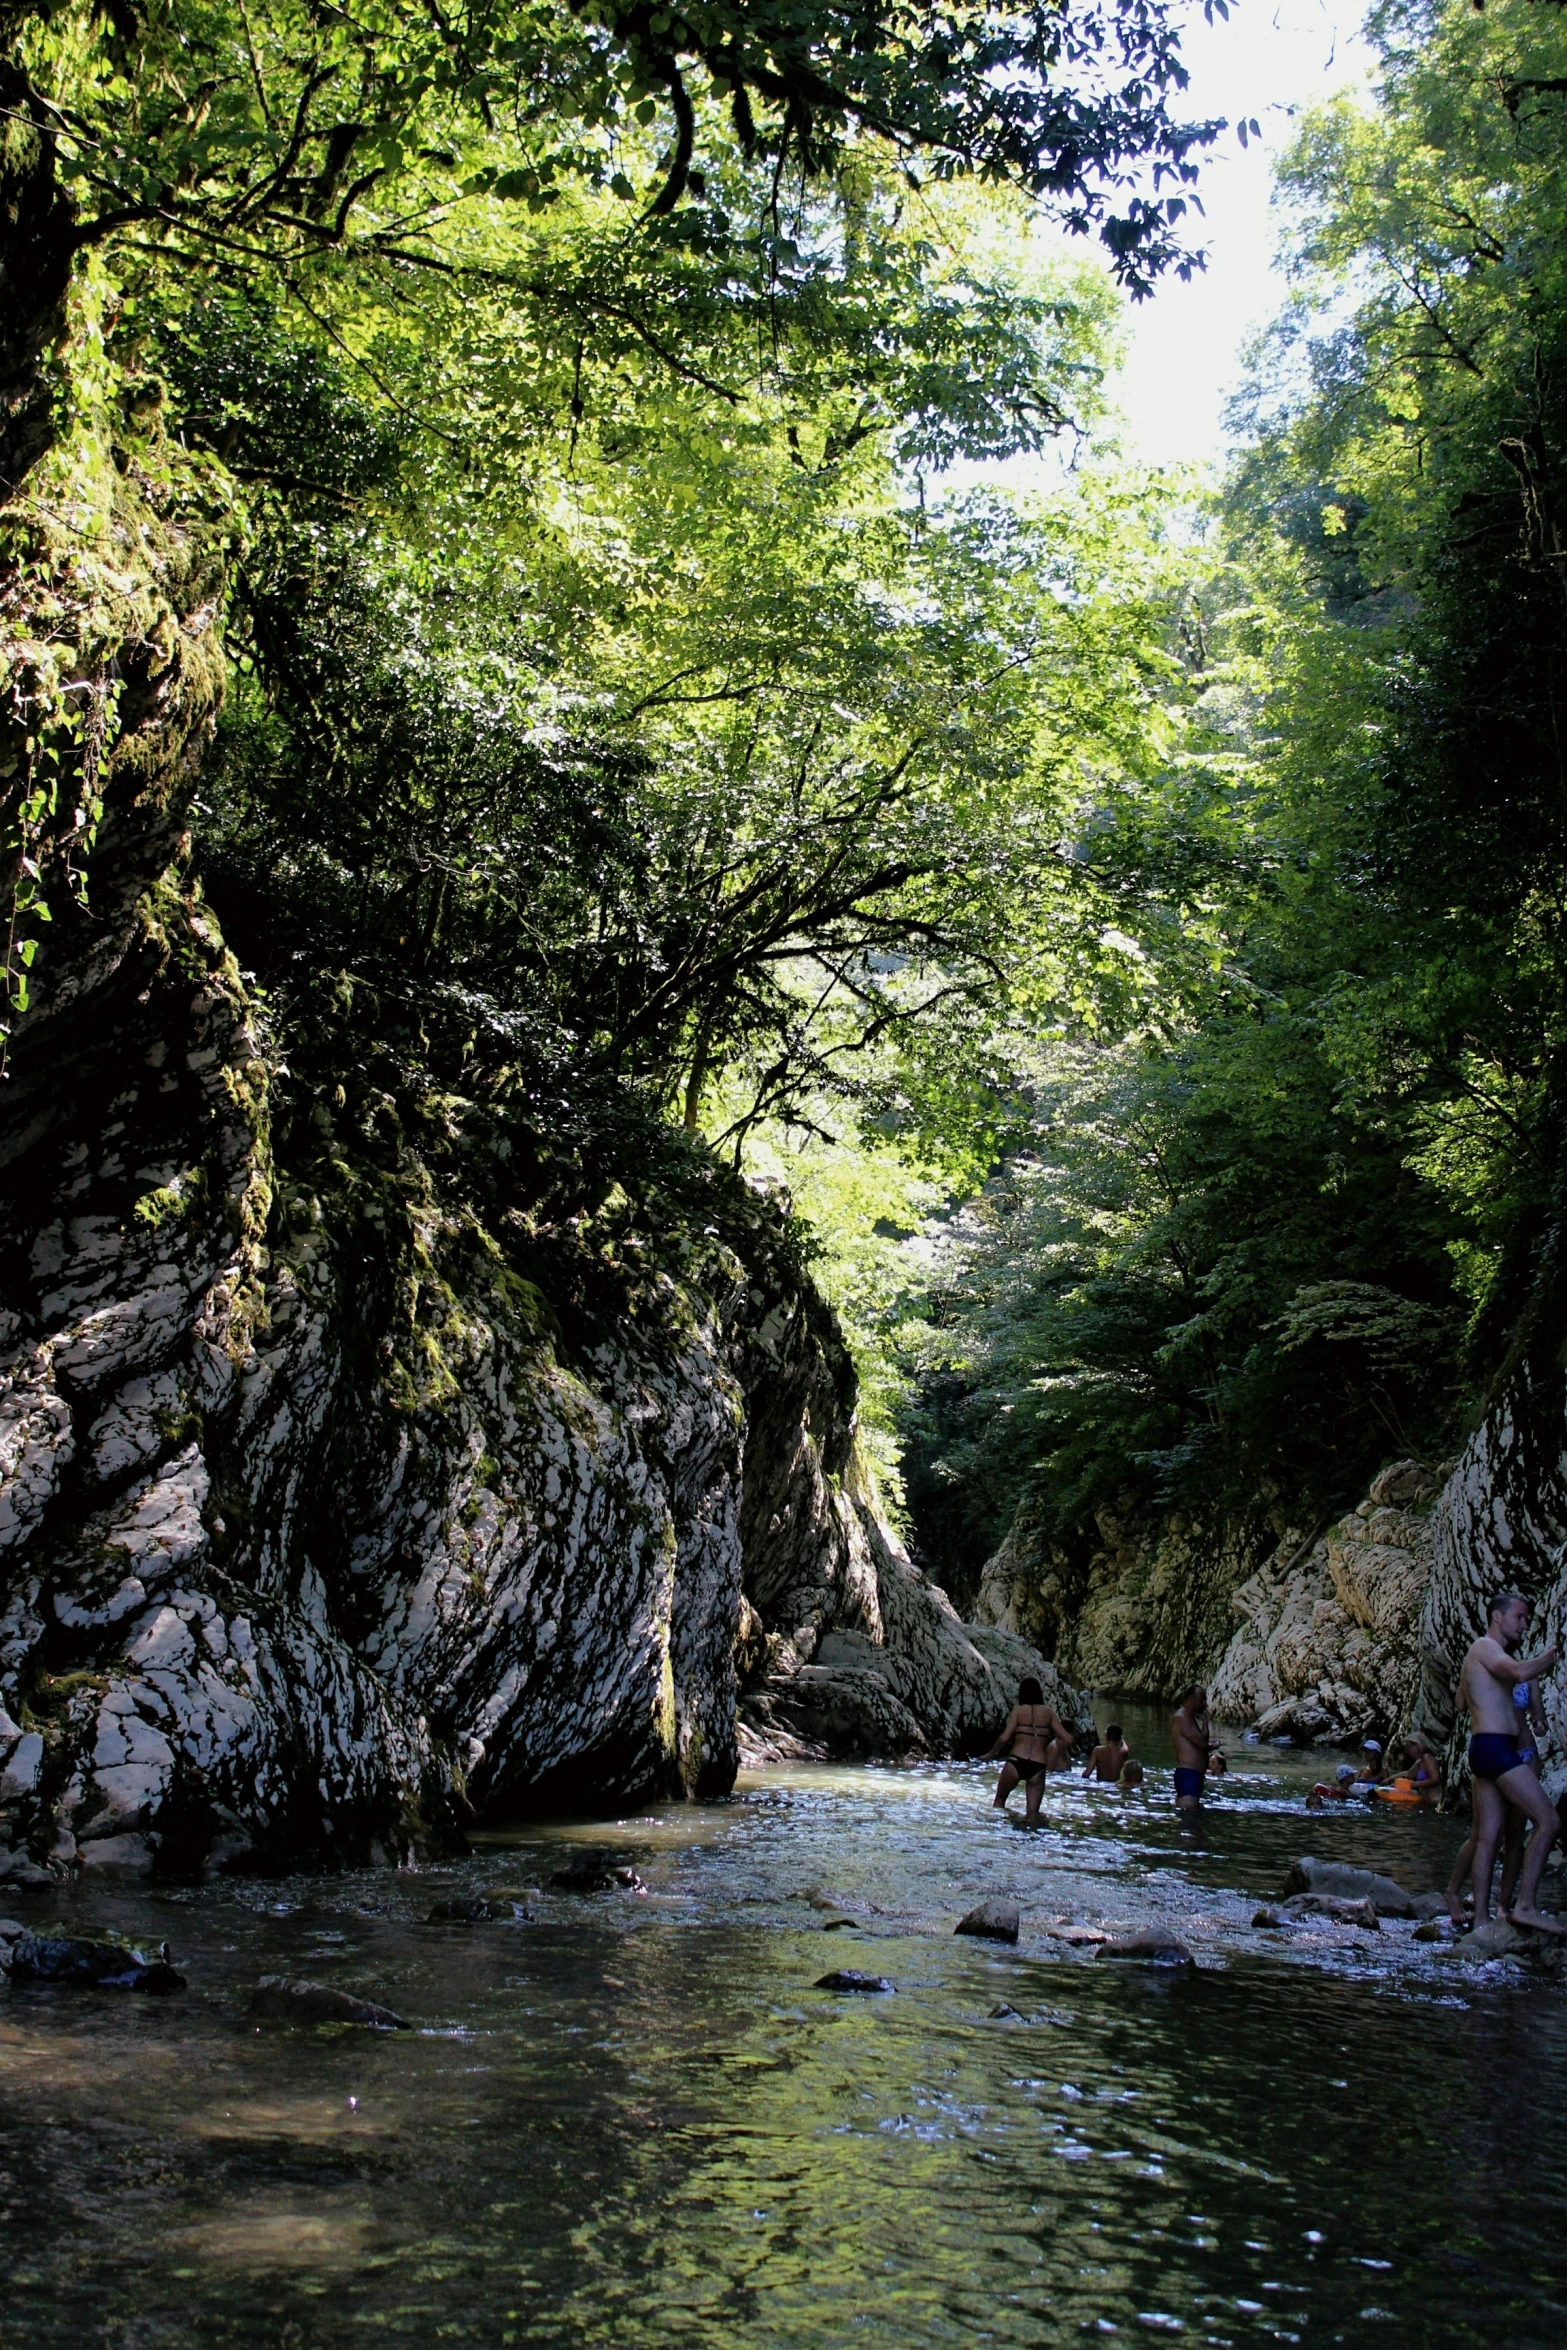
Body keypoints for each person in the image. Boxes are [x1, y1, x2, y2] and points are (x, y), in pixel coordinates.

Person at [1455, 1591, 1561, 1933]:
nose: (1524, 1624)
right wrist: (1551, 1654)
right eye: (1519, 1617)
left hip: (1485, 1748)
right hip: (1497, 1748)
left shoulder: (1482, 1654)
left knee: (1489, 1837)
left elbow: (1459, 1702)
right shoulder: (1485, 1647)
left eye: (1527, 1619)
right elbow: (1517, 1672)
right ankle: (1525, 1906)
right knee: (1548, 1820)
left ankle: (1483, 1920)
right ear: (1497, 1618)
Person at [985, 1677, 1073, 1829]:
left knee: (1000, 1799)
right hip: (1038, 1766)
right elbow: (1067, 1738)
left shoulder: (1018, 1711)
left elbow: (1004, 1738)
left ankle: (997, 1833)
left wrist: (991, 1754)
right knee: (1032, 1813)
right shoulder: (1049, 1713)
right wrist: (1075, 1749)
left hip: (1016, 1760)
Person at [1171, 1686, 1210, 1811]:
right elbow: (1202, 1743)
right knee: (1188, 1816)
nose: (1204, 1704)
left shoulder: (1189, 1718)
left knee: (1193, 1815)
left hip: (1193, 1775)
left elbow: (1198, 1743)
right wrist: (1205, 1721)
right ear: (1191, 1699)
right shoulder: (1182, 1718)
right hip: (1189, 1774)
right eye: (1201, 1700)